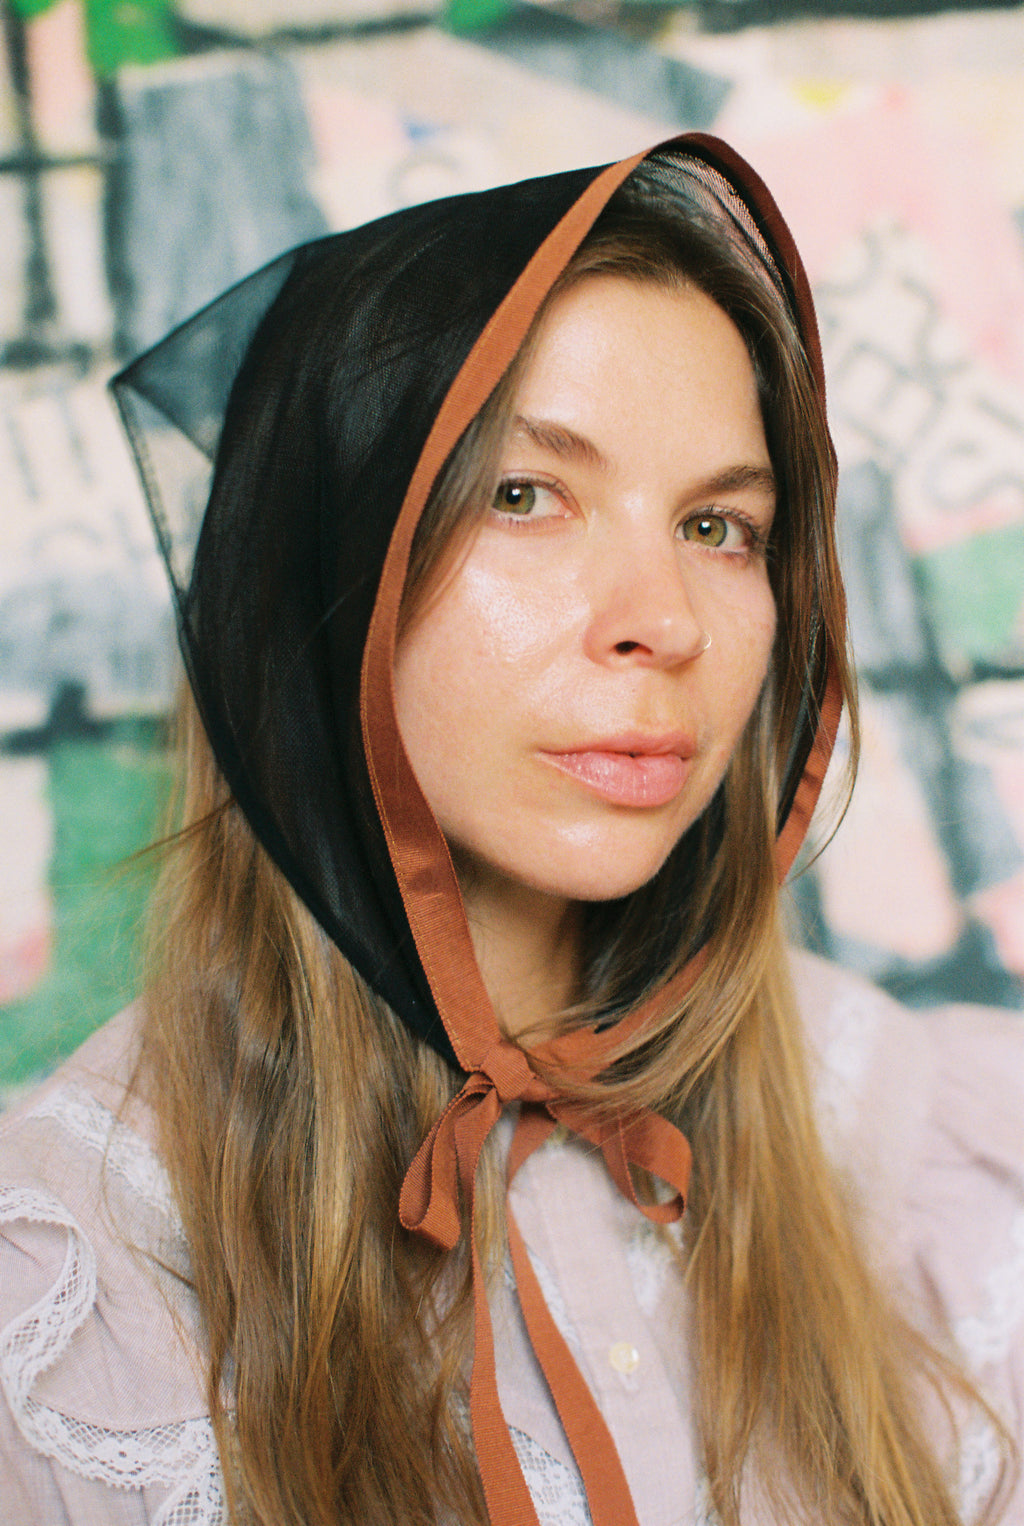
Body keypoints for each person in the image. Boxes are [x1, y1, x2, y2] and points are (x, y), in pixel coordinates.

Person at [0, 134, 1021, 1526]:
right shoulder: (70, 1276)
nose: (661, 617)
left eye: (721, 524)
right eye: (526, 494)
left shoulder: (924, 1150)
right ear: (319, 574)